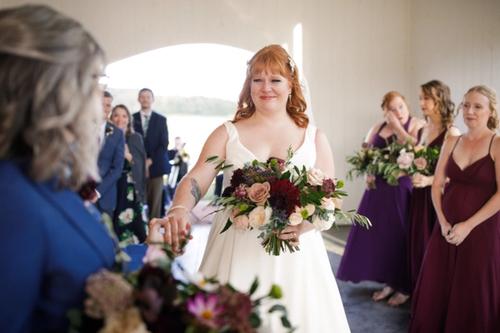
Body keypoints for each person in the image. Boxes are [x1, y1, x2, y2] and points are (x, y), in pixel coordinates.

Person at [153, 45, 351, 332]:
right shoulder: (227, 133)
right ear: (249, 85)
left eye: (275, 80)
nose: (265, 88)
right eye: (257, 79)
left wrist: (304, 227)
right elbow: (197, 177)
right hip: (236, 251)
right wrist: (180, 208)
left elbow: (329, 201)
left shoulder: (315, 138)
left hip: (297, 258)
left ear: (291, 85)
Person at [0, 5, 155, 332]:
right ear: (51, 89)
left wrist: (155, 252)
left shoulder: (45, 175)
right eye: (92, 82)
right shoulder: (10, 203)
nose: (100, 99)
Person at [410, 85, 500, 332]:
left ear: (491, 111)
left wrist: (468, 226)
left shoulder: (497, 143)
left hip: (482, 230)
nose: (470, 111)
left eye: (478, 106)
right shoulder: (452, 140)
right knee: (436, 285)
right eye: (466, 105)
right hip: (446, 228)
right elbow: (437, 185)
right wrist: (442, 222)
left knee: (474, 288)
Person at [337, 91, 424, 306]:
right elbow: (365, 151)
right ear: (385, 111)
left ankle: (404, 286)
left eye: (401, 107)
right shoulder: (377, 127)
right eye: (392, 109)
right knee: (380, 238)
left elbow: (418, 150)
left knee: (400, 238)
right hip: (377, 189)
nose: (398, 112)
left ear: (408, 105)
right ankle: (389, 282)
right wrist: (367, 170)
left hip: (401, 189)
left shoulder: (417, 125)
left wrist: (397, 128)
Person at [408, 80, 460, 292]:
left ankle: (433, 292)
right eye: (420, 97)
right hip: (418, 197)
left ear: (440, 99)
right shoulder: (422, 129)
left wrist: (430, 181)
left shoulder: (452, 133)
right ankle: (417, 291)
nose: (422, 102)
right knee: (416, 243)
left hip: (438, 198)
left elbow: (457, 175)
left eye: (427, 98)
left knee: (433, 247)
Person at [110, 104, 148, 245]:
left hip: (131, 189)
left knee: (138, 227)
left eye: (124, 116)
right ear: (111, 118)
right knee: (115, 226)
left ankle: (144, 259)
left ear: (129, 119)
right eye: (116, 115)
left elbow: (140, 166)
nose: (120, 119)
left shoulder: (135, 138)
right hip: (113, 189)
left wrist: (127, 155)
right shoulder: (108, 137)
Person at [132, 88, 170, 219]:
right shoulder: (132, 119)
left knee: (155, 204)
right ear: (138, 99)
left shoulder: (161, 119)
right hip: (136, 167)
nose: (145, 99)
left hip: (156, 167)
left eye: (148, 97)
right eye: (142, 97)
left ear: (152, 99)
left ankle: (153, 233)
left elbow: (164, 144)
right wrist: (141, 162)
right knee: (136, 201)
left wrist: (150, 161)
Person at [96, 91, 125, 217]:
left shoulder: (117, 134)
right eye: (100, 104)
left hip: (105, 196)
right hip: (79, 196)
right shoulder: (80, 129)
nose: (104, 108)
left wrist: (97, 191)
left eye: (108, 105)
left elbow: (117, 169)